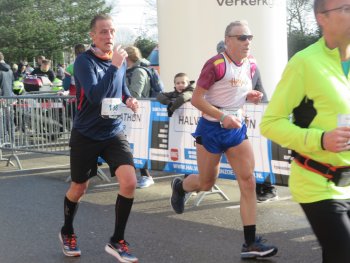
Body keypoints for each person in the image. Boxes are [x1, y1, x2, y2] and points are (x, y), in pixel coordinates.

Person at [170, 21, 278, 259]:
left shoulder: (251, 64)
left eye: (250, 36)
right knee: (207, 183)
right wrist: (222, 116)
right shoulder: (216, 64)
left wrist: (249, 96)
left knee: (248, 180)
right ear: (228, 40)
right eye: (241, 37)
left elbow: (236, 92)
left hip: (235, 129)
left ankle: (250, 243)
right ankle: (182, 186)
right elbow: (197, 99)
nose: (247, 41)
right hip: (211, 128)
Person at [260, 0, 350, 262]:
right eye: (345, 8)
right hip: (318, 183)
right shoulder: (304, 63)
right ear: (322, 17)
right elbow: (271, 122)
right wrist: (321, 139)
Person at [58, 14, 139, 263]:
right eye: (103, 32)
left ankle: (117, 240)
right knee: (79, 187)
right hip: (87, 133)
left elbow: (121, 89)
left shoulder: (120, 60)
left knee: (129, 182)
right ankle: (67, 230)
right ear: (93, 35)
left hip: (113, 131)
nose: (109, 36)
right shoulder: (84, 62)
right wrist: (114, 65)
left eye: (112, 31)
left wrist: (129, 100)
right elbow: (94, 96)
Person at [216, 40, 278, 202]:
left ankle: (266, 188)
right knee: (249, 155)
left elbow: (241, 89)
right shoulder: (224, 66)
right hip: (241, 115)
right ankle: (258, 188)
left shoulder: (248, 65)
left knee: (259, 150)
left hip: (255, 111)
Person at [125, 45, 154, 189]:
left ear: (127, 57)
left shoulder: (138, 72)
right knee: (132, 146)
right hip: (132, 113)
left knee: (139, 146)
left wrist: (123, 96)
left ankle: (146, 176)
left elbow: (135, 94)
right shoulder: (129, 71)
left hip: (139, 112)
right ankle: (142, 175)